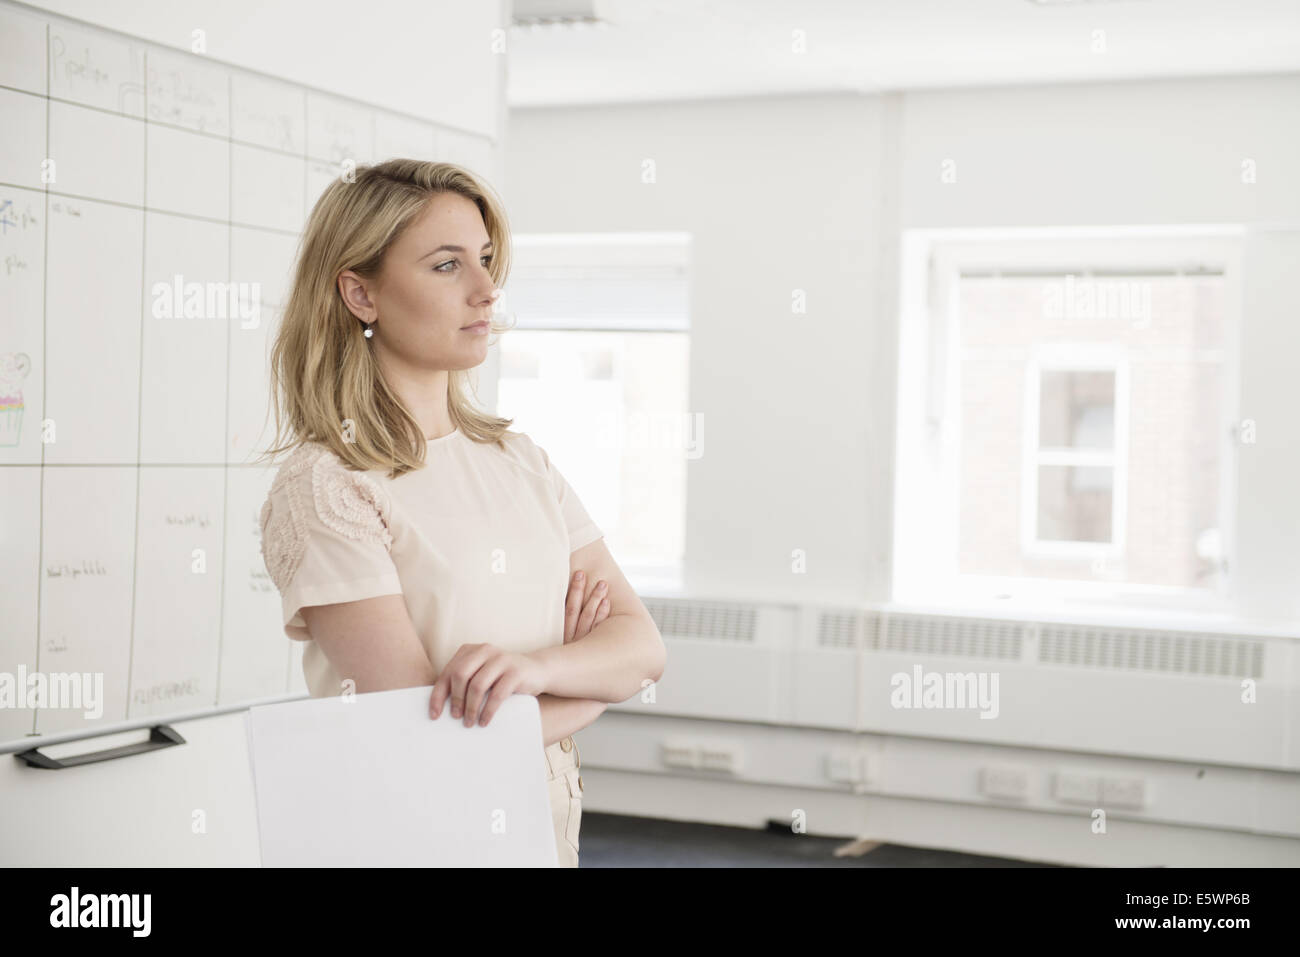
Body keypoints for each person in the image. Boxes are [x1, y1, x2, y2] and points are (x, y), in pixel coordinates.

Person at [255, 158, 666, 867]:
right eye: (447, 266)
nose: (485, 289)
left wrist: (535, 670)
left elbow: (644, 650)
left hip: (544, 819)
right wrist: (591, 689)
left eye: (484, 260)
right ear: (360, 293)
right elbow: (428, 737)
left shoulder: (519, 458)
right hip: (411, 838)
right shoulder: (327, 483)